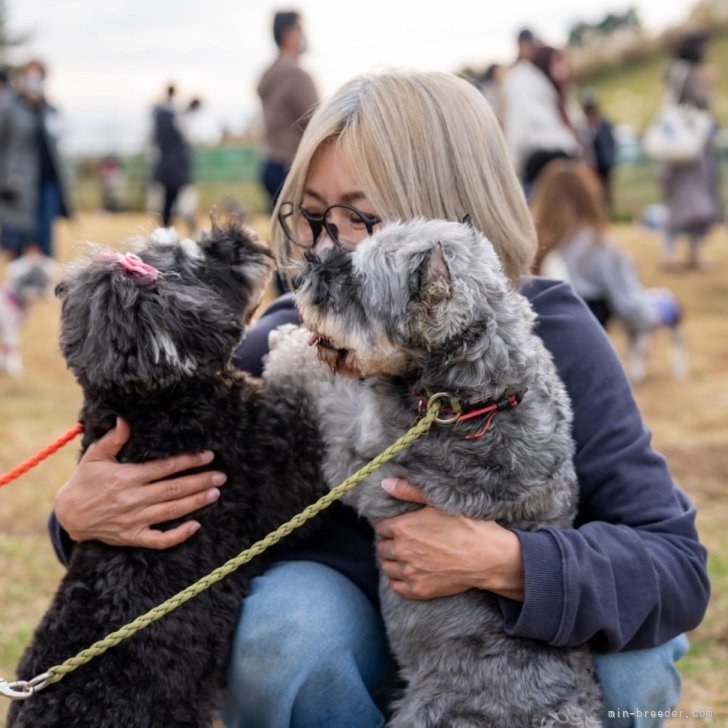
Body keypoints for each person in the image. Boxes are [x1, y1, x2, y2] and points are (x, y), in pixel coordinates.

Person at [49, 71, 709, 728]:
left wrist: (509, 562)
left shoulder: (552, 333)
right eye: (313, 218)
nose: (327, 248)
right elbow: (153, 483)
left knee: (635, 665)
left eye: (363, 219)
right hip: (354, 657)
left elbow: (674, 566)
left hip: (516, 659)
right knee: (288, 631)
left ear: (444, 219)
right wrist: (75, 518)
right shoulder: (285, 341)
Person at [530, 159, 679, 333]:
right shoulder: (599, 247)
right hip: (580, 347)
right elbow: (633, 312)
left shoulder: (528, 244)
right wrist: (662, 308)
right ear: (589, 197)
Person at [658, 30, 723, 272]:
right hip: (689, 149)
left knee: (691, 203)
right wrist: (707, 85)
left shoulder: (674, 71)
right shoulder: (688, 73)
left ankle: (685, 253)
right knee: (690, 203)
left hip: (683, 147)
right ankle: (675, 252)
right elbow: (695, 103)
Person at [0, 59, 72, 260]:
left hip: (47, 177)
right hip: (18, 179)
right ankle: (17, 273)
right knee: (18, 230)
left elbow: (58, 137)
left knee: (46, 229)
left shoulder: (49, 109)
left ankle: (46, 272)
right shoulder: (8, 106)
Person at [257, 10, 319, 213]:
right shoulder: (296, 74)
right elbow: (317, 119)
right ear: (289, 34)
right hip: (290, 165)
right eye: (300, 30)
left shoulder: (269, 73)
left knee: (280, 233)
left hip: (270, 162)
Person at [503, 43, 582, 196]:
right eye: (556, 62)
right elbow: (524, 134)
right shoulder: (531, 90)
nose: (563, 68)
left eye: (563, 62)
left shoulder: (558, 95)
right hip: (543, 164)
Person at [149, 84, 200, 231]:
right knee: (183, 200)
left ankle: (165, 230)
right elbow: (187, 137)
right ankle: (188, 228)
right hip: (178, 167)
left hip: (165, 165)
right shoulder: (177, 114)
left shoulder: (158, 113)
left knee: (167, 201)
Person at [579, 89, 617, 215]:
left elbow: (611, 144)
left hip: (605, 167)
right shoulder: (582, 127)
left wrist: (610, 161)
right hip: (589, 169)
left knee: (605, 196)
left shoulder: (604, 125)